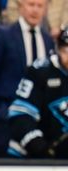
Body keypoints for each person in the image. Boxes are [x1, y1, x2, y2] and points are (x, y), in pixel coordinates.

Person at [0, 0, 54, 157]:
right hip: (6, 115)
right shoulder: (3, 35)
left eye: (39, 6)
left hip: (38, 121)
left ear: (45, 9)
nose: (35, 10)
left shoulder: (48, 40)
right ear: (21, 7)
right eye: (31, 4)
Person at [7, 26, 68, 158]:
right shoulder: (41, 71)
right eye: (66, 51)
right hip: (34, 158)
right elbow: (20, 114)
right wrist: (39, 146)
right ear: (59, 49)